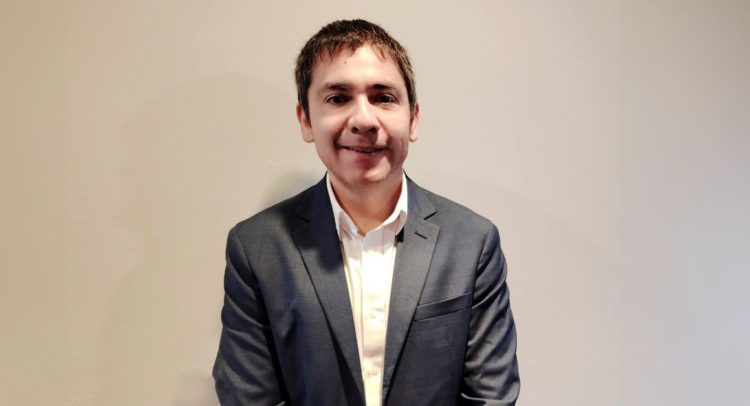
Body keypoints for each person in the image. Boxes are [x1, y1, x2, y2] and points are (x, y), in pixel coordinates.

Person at [212, 19, 520, 406]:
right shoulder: (257, 248)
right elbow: (249, 399)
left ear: (413, 119)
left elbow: (490, 397)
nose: (363, 120)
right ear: (306, 120)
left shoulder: (472, 242)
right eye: (338, 98)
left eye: (383, 97)